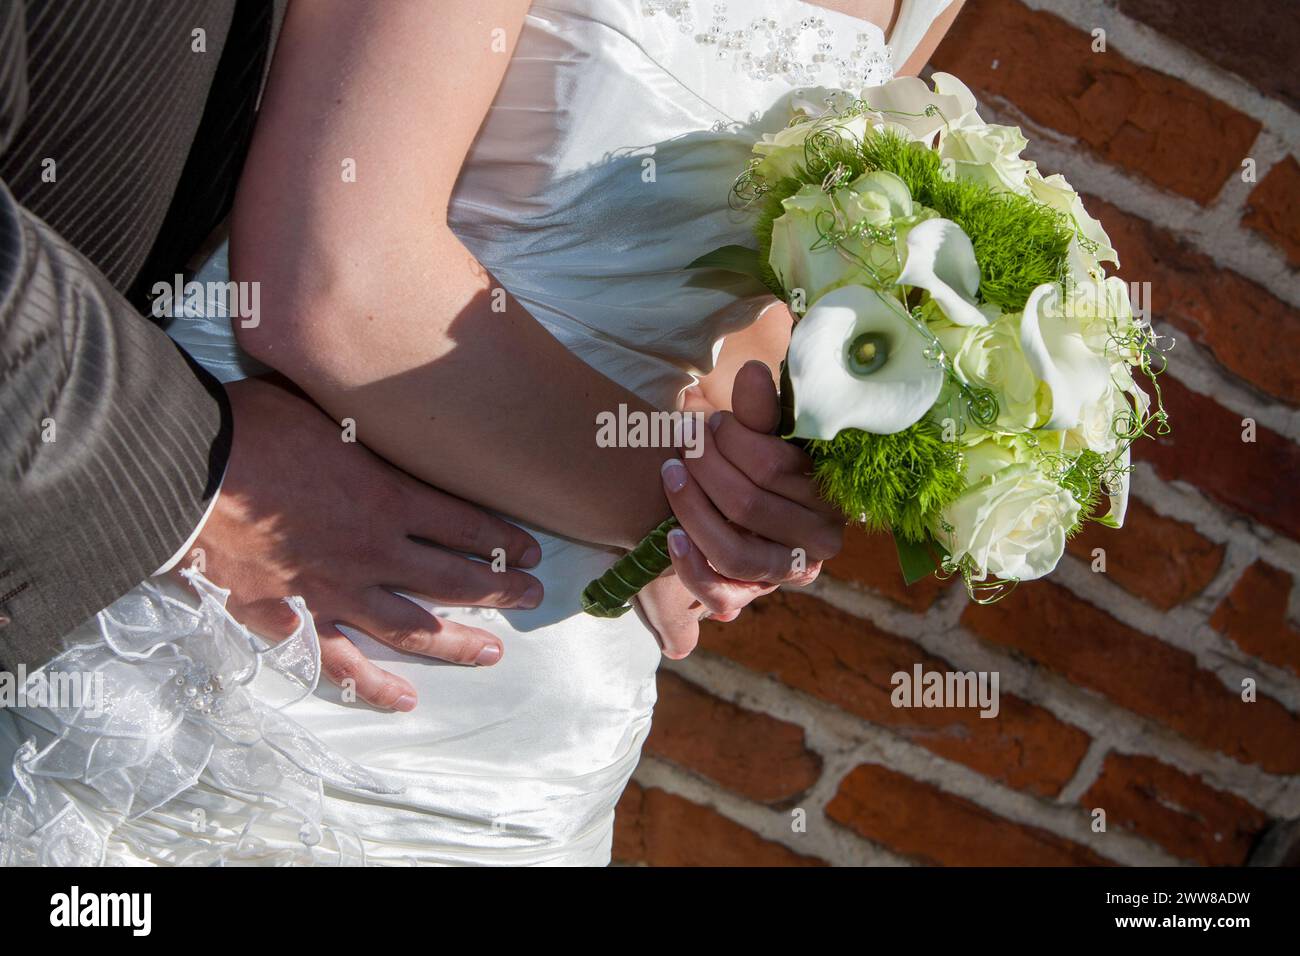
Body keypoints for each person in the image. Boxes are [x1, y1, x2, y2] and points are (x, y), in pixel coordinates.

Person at [0, 0, 961, 866]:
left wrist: (758, 462)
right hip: (276, 564)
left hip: (547, 722)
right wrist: (690, 502)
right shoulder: (644, 489)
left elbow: (740, 286)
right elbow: (342, 288)